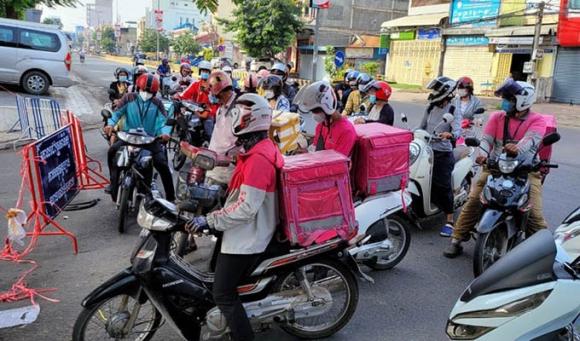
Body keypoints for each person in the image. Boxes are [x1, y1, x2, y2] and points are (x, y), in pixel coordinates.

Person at [186, 93, 283, 341]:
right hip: (246, 228)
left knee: (223, 293)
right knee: (212, 270)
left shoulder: (259, 158)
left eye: (238, 117)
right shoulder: (256, 148)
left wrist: (209, 220)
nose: (233, 122)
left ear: (250, 121)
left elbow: (246, 208)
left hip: (250, 235)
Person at [443, 80, 548, 258]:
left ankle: (544, 251)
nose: (505, 102)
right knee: (474, 200)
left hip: (526, 170)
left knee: (534, 214)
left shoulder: (537, 120)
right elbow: (486, 140)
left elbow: (531, 139)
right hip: (495, 167)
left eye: (509, 99)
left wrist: (517, 148)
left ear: (523, 100)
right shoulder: (497, 117)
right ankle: (457, 239)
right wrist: (483, 154)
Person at [104, 74, 175, 202]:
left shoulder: (157, 103)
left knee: (162, 164)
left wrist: (165, 133)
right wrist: (110, 124)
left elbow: (163, 121)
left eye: (150, 91)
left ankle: (171, 198)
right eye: (144, 90)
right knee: (112, 152)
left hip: (149, 140)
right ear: (138, 88)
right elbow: (117, 114)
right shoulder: (128, 98)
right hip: (128, 136)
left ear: (154, 92)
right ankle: (113, 182)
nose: (146, 93)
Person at [419, 76, 461, 238]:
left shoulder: (453, 110)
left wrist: (449, 134)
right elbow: (421, 126)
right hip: (426, 151)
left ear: (447, 93)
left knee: (443, 185)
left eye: (438, 90)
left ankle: (450, 220)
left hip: (443, 153)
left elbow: (457, 131)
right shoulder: (430, 108)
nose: (434, 93)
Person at [296, 80, 357, 157]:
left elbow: (338, 164)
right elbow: (316, 149)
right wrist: (306, 153)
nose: (314, 114)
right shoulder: (321, 126)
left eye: (316, 111)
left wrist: (310, 156)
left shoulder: (346, 131)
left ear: (327, 107)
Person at [205, 70, 239, 185]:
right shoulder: (221, 108)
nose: (212, 97)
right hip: (213, 165)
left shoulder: (239, 110)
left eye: (213, 94)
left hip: (226, 171)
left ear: (221, 93)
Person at [176, 60, 218, 139]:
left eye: (206, 71)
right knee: (187, 124)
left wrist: (208, 92)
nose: (204, 72)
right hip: (196, 110)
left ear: (209, 73)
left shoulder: (213, 85)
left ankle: (210, 145)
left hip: (209, 112)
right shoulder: (196, 84)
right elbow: (185, 94)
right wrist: (178, 97)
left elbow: (214, 101)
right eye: (202, 70)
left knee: (209, 130)